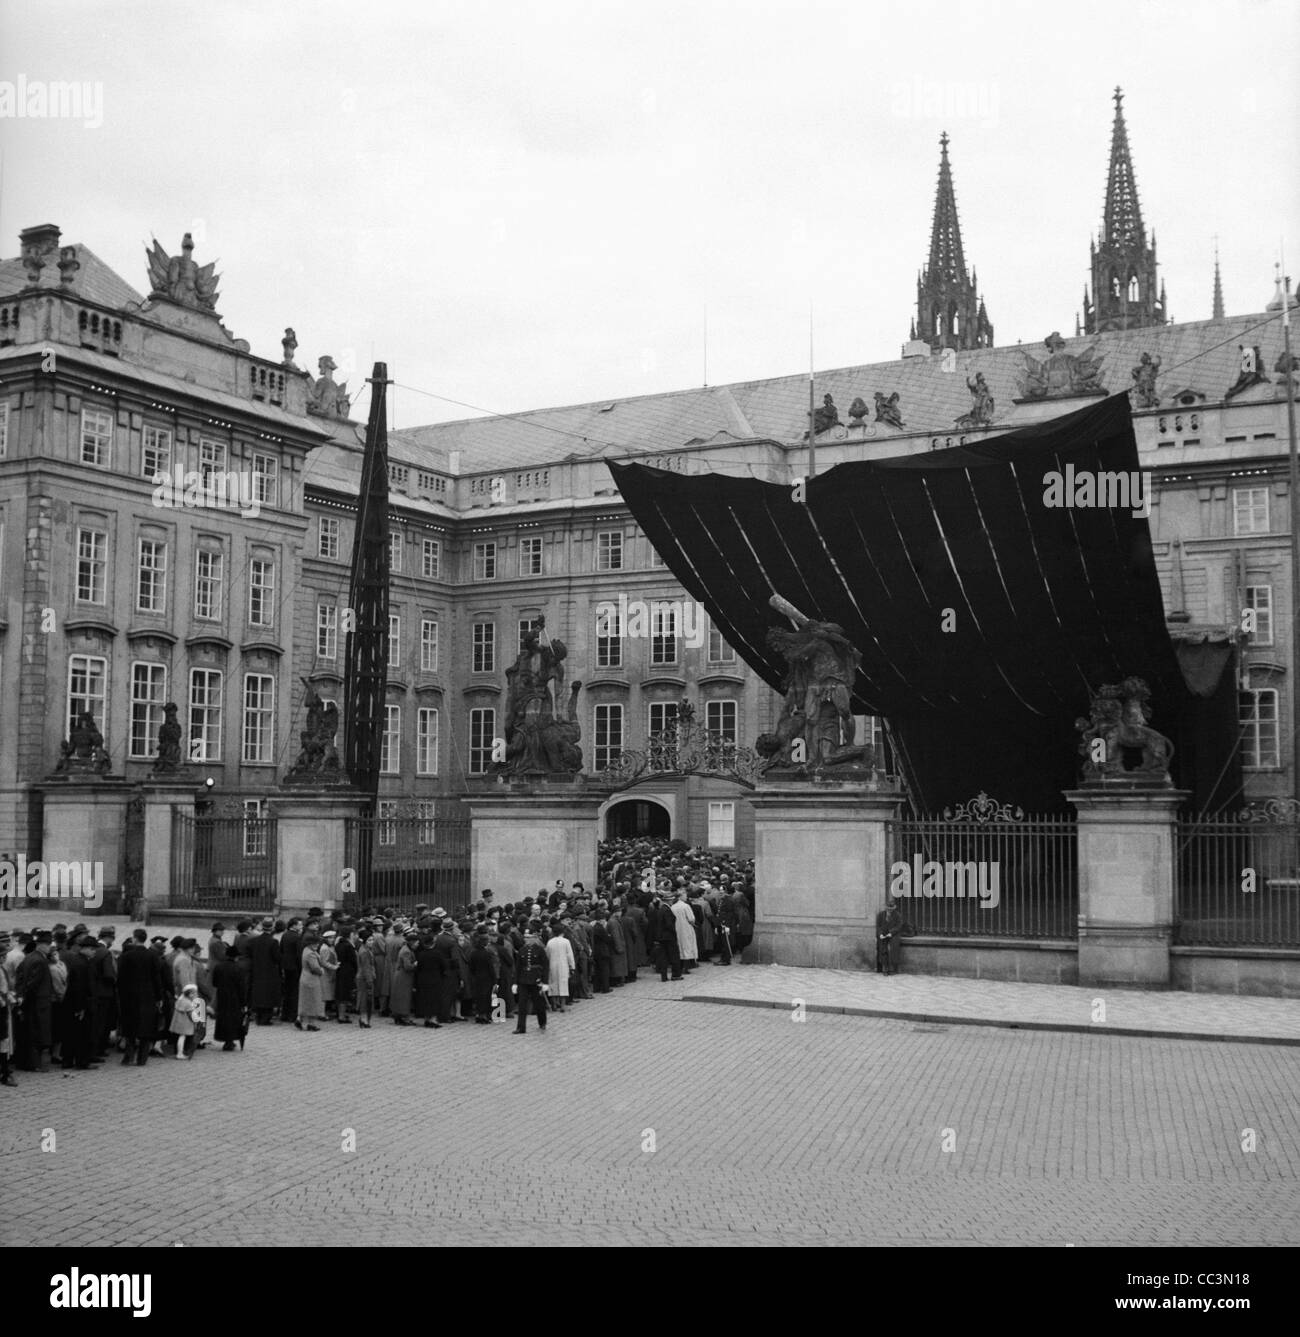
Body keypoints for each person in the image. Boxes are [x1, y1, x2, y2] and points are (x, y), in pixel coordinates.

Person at [14, 933, 54, 1071]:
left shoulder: (29, 957)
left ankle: (27, 1062)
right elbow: (33, 983)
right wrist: (26, 998)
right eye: (48, 944)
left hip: (31, 1001)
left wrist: (20, 996)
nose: (50, 947)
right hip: (38, 1003)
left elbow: (19, 978)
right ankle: (35, 1064)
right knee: (37, 1034)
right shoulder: (39, 960)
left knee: (30, 1032)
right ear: (41, 945)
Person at [211, 942, 248, 1051]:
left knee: (222, 1017)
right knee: (233, 1019)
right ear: (236, 957)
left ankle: (223, 1037)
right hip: (234, 998)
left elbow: (215, 983)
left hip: (222, 996)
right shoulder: (239, 969)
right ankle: (230, 1040)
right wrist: (244, 1002)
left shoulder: (219, 967)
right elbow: (242, 987)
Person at [513, 925, 549, 1034]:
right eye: (525, 937)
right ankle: (521, 1027)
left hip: (536, 979)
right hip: (524, 979)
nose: (526, 939)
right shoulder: (522, 950)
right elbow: (518, 967)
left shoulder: (540, 950)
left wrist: (545, 982)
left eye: (529, 937)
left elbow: (545, 967)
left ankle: (542, 1022)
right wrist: (515, 983)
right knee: (522, 1004)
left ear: (534, 938)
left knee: (539, 1003)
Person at [248, 918, 281, 1025]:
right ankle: (266, 1018)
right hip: (270, 971)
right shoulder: (273, 942)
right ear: (272, 928)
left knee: (259, 994)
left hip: (257, 970)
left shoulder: (255, 940)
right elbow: (277, 958)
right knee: (268, 995)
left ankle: (258, 1016)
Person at [296, 934, 326, 1031]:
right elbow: (315, 968)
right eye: (315, 943)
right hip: (311, 979)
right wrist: (322, 971)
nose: (317, 945)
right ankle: (311, 1023)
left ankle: (299, 1019)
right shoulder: (311, 954)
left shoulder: (306, 950)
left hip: (304, 977)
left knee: (304, 1000)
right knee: (313, 1000)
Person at [412, 932, 441, 1029]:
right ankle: (433, 1019)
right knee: (434, 999)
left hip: (423, 979)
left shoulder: (421, 954)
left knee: (425, 999)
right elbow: (443, 966)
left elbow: (418, 968)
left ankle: (427, 1018)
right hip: (435, 979)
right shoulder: (437, 954)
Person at [544, 923, 574, 1013]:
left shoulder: (550, 942)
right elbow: (569, 955)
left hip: (552, 965)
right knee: (563, 983)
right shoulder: (566, 941)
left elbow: (547, 955)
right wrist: (572, 966)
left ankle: (553, 1004)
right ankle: (562, 1005)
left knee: (553, 983)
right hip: (563, 965)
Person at [390, 932, 418, 1026]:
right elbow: (407, 966)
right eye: (416, 943)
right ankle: (403, 1017)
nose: (417, 944)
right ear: (412, 942)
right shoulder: (406, 951)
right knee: (404, 997)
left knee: (400, 996)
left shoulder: (406, 949)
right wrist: (415, 964)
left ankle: (399, 1016)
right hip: (404, 977)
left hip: (401, 976)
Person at [469, 932, 497, 1023]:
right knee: (486, 997)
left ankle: (478, 1014)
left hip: (476, 977)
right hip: (486, 978)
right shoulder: (487, 954)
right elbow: (491, 968)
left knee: (478, 997)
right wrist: (494, 979)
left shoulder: (473, 953)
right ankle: (484, 1015)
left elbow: (471, 966)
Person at [279, 918, 303, 1022]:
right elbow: (298, 954)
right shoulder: (297, 937)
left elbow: (281, 950)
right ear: (293, 926)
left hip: (286, 966)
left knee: (287, 991)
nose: (301, 926)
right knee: (294, 991)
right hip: (295, 967)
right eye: (299, 924)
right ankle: (292, 1015)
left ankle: (284, 1014)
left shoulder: (285, 935)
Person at [334, 925, 357, 1024]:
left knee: (340, 993)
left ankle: (340, 1014)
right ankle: (341, 1016)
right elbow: (353, 960)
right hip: (347, 971)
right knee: (344, 994)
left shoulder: (338, 944)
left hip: (340, 970)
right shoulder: (348, 946)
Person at [355, 928, 378, 1029]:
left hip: (364, 976)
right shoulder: (364, 951)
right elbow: (366, 968)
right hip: (364, 978)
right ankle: (363, 1019)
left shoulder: (366, 949)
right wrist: (369, 980)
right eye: (369, 940)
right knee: (365, 999)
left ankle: (363, 1018)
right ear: (364, 940)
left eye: (372, 940)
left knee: (365, 999)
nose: (371, 942)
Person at [875, 896, 903, 976]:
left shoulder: (897, 915)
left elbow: (899, 926)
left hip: (893, 934)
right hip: (883, 934)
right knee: (883, 948)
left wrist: (891, 933)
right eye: (888, 909)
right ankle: (884, 967)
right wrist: (880, 934)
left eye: (891, 909)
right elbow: (878, 926)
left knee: (893, 948)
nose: (889, 911)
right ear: (886, 908)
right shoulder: (880, 915)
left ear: (893, 909)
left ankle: (892, 967)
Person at [170, 983, 199, 1058]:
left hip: (178, 1023)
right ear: (189, 994)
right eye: (194, 993)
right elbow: (191, 1015)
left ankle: (179, 1052)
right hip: (185, 1024)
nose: (195, 995)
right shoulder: (188, 1003)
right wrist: (197, 1020)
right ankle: (180, 1053)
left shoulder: (180, 1000)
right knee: (182, 1038)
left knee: (180, 1037)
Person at [672, 891, 698, 973]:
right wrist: (693, 924)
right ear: (680, 896)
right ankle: (686, 967)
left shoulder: (673, 907)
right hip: (686, 928)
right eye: (685, 895)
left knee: (679, 946)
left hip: (677, 928)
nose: (686, 897)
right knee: (687, 946)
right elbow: (691, 918)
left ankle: (679, 966)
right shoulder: (686, 906)